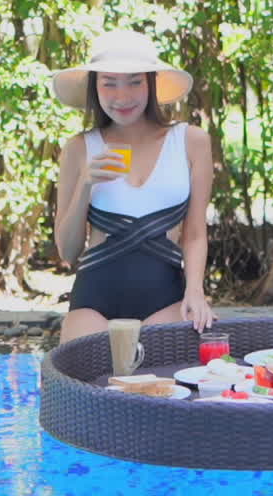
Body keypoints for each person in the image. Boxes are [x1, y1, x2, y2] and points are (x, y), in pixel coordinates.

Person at [50, 29, 215, 343]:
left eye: (135, 82)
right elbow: (68, 251)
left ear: (151, 83)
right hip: (94, 300)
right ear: (94, 86)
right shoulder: (79, 148)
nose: (122, 97)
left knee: (161, 382)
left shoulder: (191, 142)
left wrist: (195, 292)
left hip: (166, 296)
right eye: (109, 83)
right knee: (87, 379)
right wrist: (85, 183)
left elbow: (195, 232)